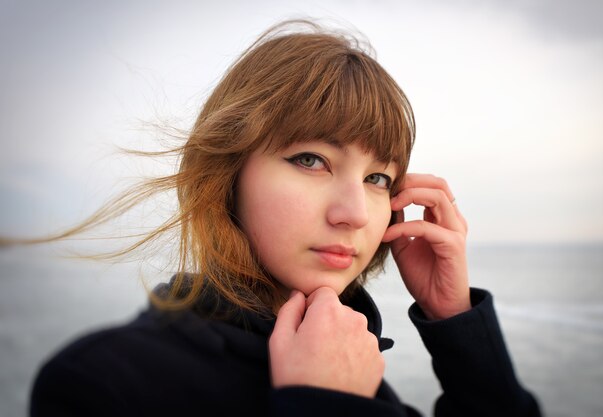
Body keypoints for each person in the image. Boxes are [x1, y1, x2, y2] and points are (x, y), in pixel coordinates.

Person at [28, 20, 541, 416]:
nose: (354, 214)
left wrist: (454, 320)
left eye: (377, 178)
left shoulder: (353, 367)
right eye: (311, 160)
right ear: (225, 172)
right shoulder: (102, 384)